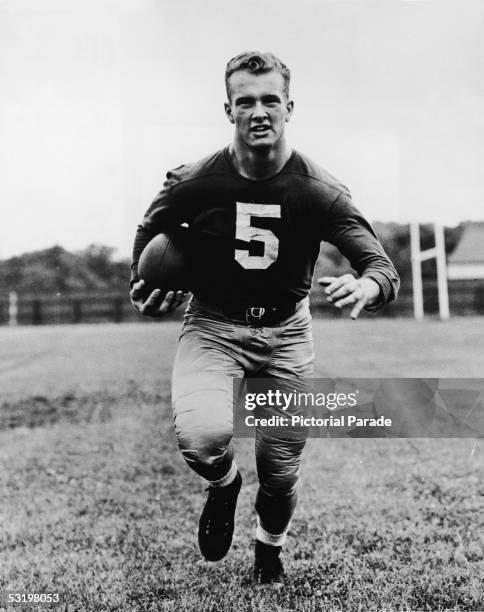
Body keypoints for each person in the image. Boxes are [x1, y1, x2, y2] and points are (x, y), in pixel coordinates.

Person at [129, 51, 400, 588]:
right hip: (214, 326)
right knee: (202, 438)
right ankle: (224, 485)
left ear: (289, 106)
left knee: (279, 471)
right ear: (227, 108)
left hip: (286, 335)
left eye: (270, 99)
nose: (259, 111)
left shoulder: (319, 189)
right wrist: (143, 289)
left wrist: (366, 284)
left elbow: (381, 267)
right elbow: (146, 243)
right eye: (246, 100)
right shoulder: (192, 181)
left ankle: (269, 547)